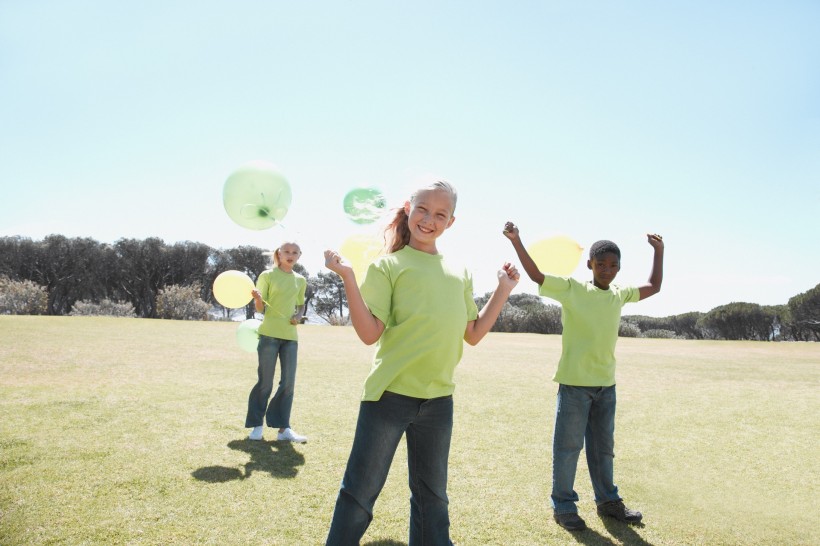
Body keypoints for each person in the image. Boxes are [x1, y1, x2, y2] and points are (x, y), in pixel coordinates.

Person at [323, 180, 520, 546]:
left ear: (452, 222)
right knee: (359, 495)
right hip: (388, 399)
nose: (430, 220)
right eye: (423, 210)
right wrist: (348, 275)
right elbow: (369, 333)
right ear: (409, 210)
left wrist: (502, 290)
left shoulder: (459, 270)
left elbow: (473, 333)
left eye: (440, 214)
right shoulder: (388, 266)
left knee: (432, 499)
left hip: (438, 401)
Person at [503, 221, 664, 532]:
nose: (607, 269)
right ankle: (563, 506)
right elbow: (537, 276)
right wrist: (516, 240)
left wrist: (658, 252)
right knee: (567, 448)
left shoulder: (619, 293)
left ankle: (608, 502)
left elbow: (654, 286)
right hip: (575, 385)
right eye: (600, 263)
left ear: (619, 268)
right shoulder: (573, 289)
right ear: (590, 264)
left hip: (606, 386)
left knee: (603, 448)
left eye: (613, 264)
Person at [245, 241, 308, 443]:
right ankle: (256, 426)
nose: (290, 255)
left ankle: (283, 430)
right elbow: (260, 308)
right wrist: (257, 298)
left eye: (294, 252)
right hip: (269, 335)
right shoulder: (267, 276)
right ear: (279, 254)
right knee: (265, 383)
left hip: (290, 338)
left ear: (299, 255)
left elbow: (300, 307)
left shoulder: (300, 280)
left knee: (288, 384)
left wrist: (298, 317)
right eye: (286, 252)